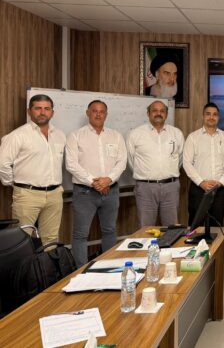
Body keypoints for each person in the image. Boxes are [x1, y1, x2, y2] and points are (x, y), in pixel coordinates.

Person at [65, 100, 127, 266]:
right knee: (80, 234)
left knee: (109, 230)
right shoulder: (75, 136)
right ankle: (81, 271)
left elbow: (122, 162)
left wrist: (108, 180)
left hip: (111, 191)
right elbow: (71, 164)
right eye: (94, 111)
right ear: (88, 113)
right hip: (85, 192)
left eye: (102, 111)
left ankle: (108, 266)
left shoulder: (116, 136)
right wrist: (94, 182)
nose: (98, 114)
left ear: (106, 114)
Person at [0, 94, 66, 246]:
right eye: (38, 108)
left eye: (47, 109)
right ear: (29, 111)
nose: (42, 112)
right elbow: (2, 164)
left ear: (52, 112)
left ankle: (47, 263)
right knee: (22, 241)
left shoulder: (60, 135)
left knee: (51, 240)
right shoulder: (17, 135)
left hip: (55, 195)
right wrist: (16, 184)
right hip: (27, 195)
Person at [126, 101, 184, 228]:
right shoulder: (135, 134)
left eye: (162, 111)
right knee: (145, 228)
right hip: (145, 188)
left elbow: (179, 159)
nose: (159, 113)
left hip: (171, 187)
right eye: (155, 110)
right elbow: (131, 160)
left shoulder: (176, 134)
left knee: (172, 228)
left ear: (166, 114)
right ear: (148, 113)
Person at [183, 102, 224, 232]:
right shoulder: (193, 137)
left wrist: (221, 182)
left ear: (218, 117)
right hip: (198, 188)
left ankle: (215, 247)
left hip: (219, 189)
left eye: (214, 114)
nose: (211, 117)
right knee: (196, 225)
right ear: (203, 116)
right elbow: (187, 163)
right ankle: (196, 246)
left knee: (217, 225)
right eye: (208, 114)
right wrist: (201, 183)